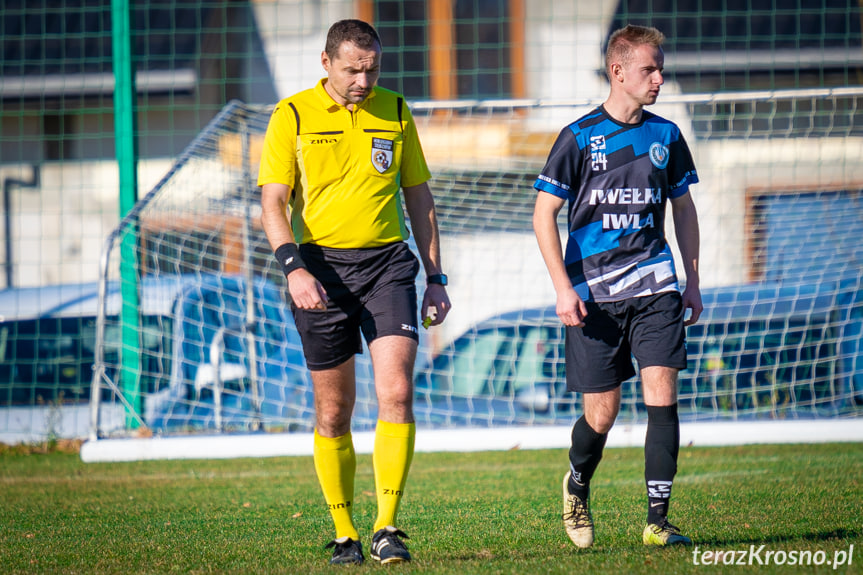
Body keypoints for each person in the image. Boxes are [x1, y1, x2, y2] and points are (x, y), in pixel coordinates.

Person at [258, 19, 451, 566]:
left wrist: (435, 278)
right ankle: (345, 533)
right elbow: (273, 202)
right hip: (319, 271)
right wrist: (294, 269)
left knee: (396, 392)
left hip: (389, 264)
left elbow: (420, 198)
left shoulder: (395, 109)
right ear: (326, 63)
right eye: (352, 69)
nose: (364, 80)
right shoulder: (290, 114)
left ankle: (387, 526)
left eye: (372, 69)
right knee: (334, 410)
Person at [532, 24, 702, 548]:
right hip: (592, 297)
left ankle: (657, 520)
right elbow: (543, 216)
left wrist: (692, 280)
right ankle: (578, 485)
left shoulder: (667, 136)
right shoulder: (579, 137)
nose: (659, 78)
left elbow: (684, 209)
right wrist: (564, 288)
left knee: (662, 394)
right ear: (618, 70)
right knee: (600, 415)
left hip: (656, 286)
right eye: (649, 69)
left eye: (661, 68)